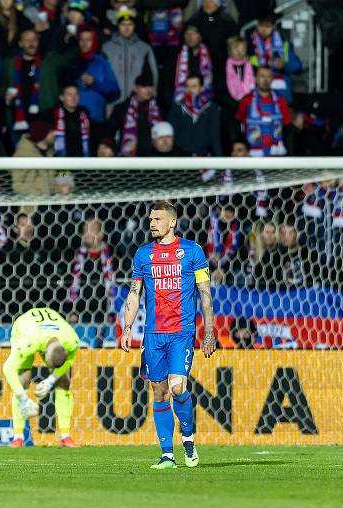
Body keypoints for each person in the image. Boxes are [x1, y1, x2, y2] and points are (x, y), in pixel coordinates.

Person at [120, 200, 215, 469]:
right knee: (159, 392)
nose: (152, 223)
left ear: (172, 222)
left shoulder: (192, 251)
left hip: (182, 332)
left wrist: (209, 331)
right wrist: (128, 328)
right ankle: (167, 455)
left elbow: (205, 294)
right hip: (153, 334)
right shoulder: (142, 255)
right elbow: (134, 292)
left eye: (158, 219)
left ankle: (188, 437)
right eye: (151, 219)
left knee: (177, 388)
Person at [2, 307, 81, 448]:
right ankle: (18, 437)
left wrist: (52, 379)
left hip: (49, 328)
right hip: (24, 328)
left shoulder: (71, 340)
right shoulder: (28, 342)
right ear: (45, 353)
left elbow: (69, 361)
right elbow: (7, 368)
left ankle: (65, 436)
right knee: (23, 379)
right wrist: (23, 398)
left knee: (63, 380)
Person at [102, 7, 159, 108]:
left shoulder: (144, 48)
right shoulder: (106, 48)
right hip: (112, 104)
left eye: (130, 24)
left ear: (134, 26)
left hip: (138, 103)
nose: (126, 28)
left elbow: (153, 74)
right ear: (118, 26)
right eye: (123, 24)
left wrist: (152, 97)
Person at [66, 25, 120, 126]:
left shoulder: (102, 62)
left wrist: (94, 83)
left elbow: (114, 90)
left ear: (94, 41)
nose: (84, 43)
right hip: (73, 120)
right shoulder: (72, 62)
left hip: (95, 119)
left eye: (88, 40)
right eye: (81, 40)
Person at [235, 66, 290, 157]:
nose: (265, 80)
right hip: (253, 153)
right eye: (262, 76)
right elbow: (238, 123)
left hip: (277, 153)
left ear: (272, 79)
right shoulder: (246, 100)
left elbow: (287, 127)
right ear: (255, 79)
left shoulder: (281, 101)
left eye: (268, 77)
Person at [246, 13, 301, 103]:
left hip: (280, 95)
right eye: (261, 25)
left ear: (274, 27)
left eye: (267, 26)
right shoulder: (249, 43)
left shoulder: (282, 43)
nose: (263, 30)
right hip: (256, 94)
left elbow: (297, 67)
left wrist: (284, 65)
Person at [108, 72, 161, 157]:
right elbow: (109, 133)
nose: (148, 90)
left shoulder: (158, 108)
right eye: (144, 86)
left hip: (152, 157)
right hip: (128, 158)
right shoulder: (122, 108)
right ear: (135, 88)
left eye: (150, 86)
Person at [168, 74, 222, 156]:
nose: (189, 90)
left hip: (203, 156)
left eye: (194, 86)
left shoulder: (211, 107)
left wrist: (219, 158)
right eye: (187, 86)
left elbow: (215, 136)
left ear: (202, 88)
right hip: (181, 156)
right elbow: (172, 133)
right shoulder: (178, 107)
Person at [173, 25, 213, 102]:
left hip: (206, 98)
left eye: (193, 34)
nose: (190, 37)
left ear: (200, 37)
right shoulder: (176, 56)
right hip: (182, 99)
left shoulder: (211, 55)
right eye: (187, 34)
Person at [51, 83, 92, 157]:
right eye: (70, 94)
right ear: (62, 97)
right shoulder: (53, 115)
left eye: (76, 94)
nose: (74, 97)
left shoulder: (85, 115)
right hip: (60, 161)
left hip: (81, 160)